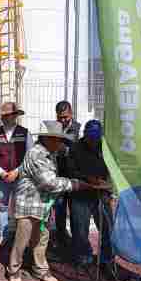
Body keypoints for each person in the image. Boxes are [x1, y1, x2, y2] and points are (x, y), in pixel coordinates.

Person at [6, 120, 109, 281]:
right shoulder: (36, 154)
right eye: (59, 140)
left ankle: (40, 269)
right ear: (49, 139)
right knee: (21, 240)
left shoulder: (50, 154)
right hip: (29, 205)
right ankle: (14, 270)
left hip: (43, 206)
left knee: (42, 239)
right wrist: (78, 184)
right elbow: (49, 182)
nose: (61, 143)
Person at [65, 120, 114, 271]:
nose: (93, 141)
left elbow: (111, 169)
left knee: (108, 228)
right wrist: (88, 178)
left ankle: (106, 259)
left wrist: (107, 186)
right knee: (80, 229)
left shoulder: (105, 148)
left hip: (101, 194)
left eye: (96, 138)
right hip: (81, 195)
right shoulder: (75, 148)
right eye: (91, 138)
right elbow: (70, 171)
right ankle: (83, 257)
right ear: (85, 135)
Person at [0, 102, 32, 250]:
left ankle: (21, 238)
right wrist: (1, 172)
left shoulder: (25, 133)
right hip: (2, 178)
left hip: (20, 178)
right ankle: (3, 236)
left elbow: (29, 156)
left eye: (9, 115)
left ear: (15, 116)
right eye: (3, 115)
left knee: (21, 209)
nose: (6, 118)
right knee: (2, 207)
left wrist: (17, 172)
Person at [50, 100, 80, 247]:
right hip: (58, 175)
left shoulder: (78, 128)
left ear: (71, 113)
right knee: (59, 208)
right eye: (60, 117)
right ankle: (61, 235)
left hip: (73, 175)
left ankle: (76, 239)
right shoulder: (53, 128)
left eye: (65, 117)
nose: (63, 120)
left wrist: (64, 148)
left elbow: (76, 150)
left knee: (75, 211)